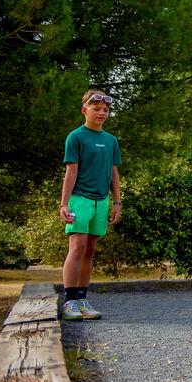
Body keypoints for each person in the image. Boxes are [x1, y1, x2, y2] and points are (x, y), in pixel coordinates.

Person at [59, 90, 122, 321]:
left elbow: (114, 172)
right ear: (85, 111)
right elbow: (71, 171)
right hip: (80, 199)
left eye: (105, 110)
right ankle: (69, 301)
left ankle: (82, 299)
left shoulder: (111, 140)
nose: (102, 113)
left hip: (101, 200)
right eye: (97, 109)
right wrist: (64, 204)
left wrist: (117, 202)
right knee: (77, 246)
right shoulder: (75, 137)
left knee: (90, 250)